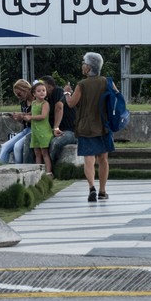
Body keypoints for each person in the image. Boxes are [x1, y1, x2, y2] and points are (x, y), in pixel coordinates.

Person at [64, 51, 115, 202]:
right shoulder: (107, 82)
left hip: (86, 126)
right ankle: (102, 191)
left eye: (84, 63)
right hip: (104, 125)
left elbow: (71, 103)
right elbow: (116, 98)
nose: (82, 66)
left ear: (88, 67)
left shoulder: (82, 85)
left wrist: (67, 93)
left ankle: (92, 187)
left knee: (89, 158)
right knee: (103, 159)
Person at [0, 79, 33, 163]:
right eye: (16, 95)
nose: (18, 97)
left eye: (19, 94)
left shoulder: (37, 101)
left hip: (34, 130)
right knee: (5, 146)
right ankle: (1, 167)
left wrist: (23, 116)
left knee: (17, 147)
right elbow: (25, 122)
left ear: (25, 89)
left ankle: (18, 168)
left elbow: (37, 118)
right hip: (26, 129)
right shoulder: (23, 103)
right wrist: (19, 119)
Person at [28, 79, 53, 175]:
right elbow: (32, 113)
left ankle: (48, 172)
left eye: (43, 90)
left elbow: (43, 116)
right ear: (34, 94)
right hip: (35, 132)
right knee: (37, 153)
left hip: (43, 131)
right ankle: (38, 173)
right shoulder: (34, 103)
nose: (42, 92)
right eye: (39, 91)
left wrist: (30, 118)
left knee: (44, 153)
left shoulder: (45, 104)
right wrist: (22, 115)